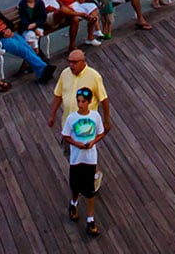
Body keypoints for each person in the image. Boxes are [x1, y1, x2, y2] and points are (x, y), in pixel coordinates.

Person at [60, 85, 107, 236]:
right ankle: (73, 204)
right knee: (75, 186)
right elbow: (66, 135)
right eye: (78, 101)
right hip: (76, 159)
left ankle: (90, 219)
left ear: (89, 102)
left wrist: (93, 142)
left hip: (90, 159)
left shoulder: (95, 117)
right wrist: (77, 144)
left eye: (83, 101)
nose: (80, 104)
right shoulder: (72, 118)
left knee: (90, 190)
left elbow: (100, 132)